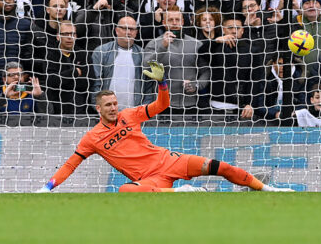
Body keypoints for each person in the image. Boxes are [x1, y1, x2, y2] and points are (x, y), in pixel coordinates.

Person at [36, 61, 293, 193]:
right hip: (150, 179)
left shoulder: (130, 114)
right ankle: (181, 192)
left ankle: (267, 189)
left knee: (219, 166)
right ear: (98, 110)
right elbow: (71, 164)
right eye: (108, 105)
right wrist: (48, 187)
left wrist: (162, 84)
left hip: (169, 160)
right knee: (126, 191)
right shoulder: (91, 138)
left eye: (115, 103)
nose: (114, 108)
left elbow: (161, 105)